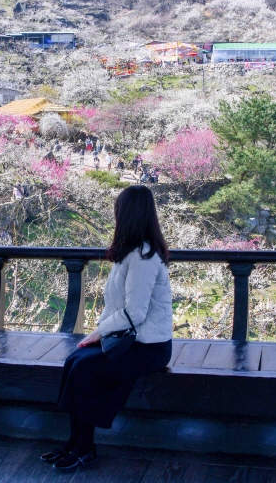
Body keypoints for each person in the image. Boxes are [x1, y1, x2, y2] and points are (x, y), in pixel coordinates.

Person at [42, 185, 173, 471]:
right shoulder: (132, 253)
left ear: (126, 215)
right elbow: (120, 307)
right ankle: (74, 440)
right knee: (74, 359)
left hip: (150, 347)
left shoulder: (143, 258)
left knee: (86, 369)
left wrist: (99, 332)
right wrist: (100, 332)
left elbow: (134, 312)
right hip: (132, 341)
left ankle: (85, 447)